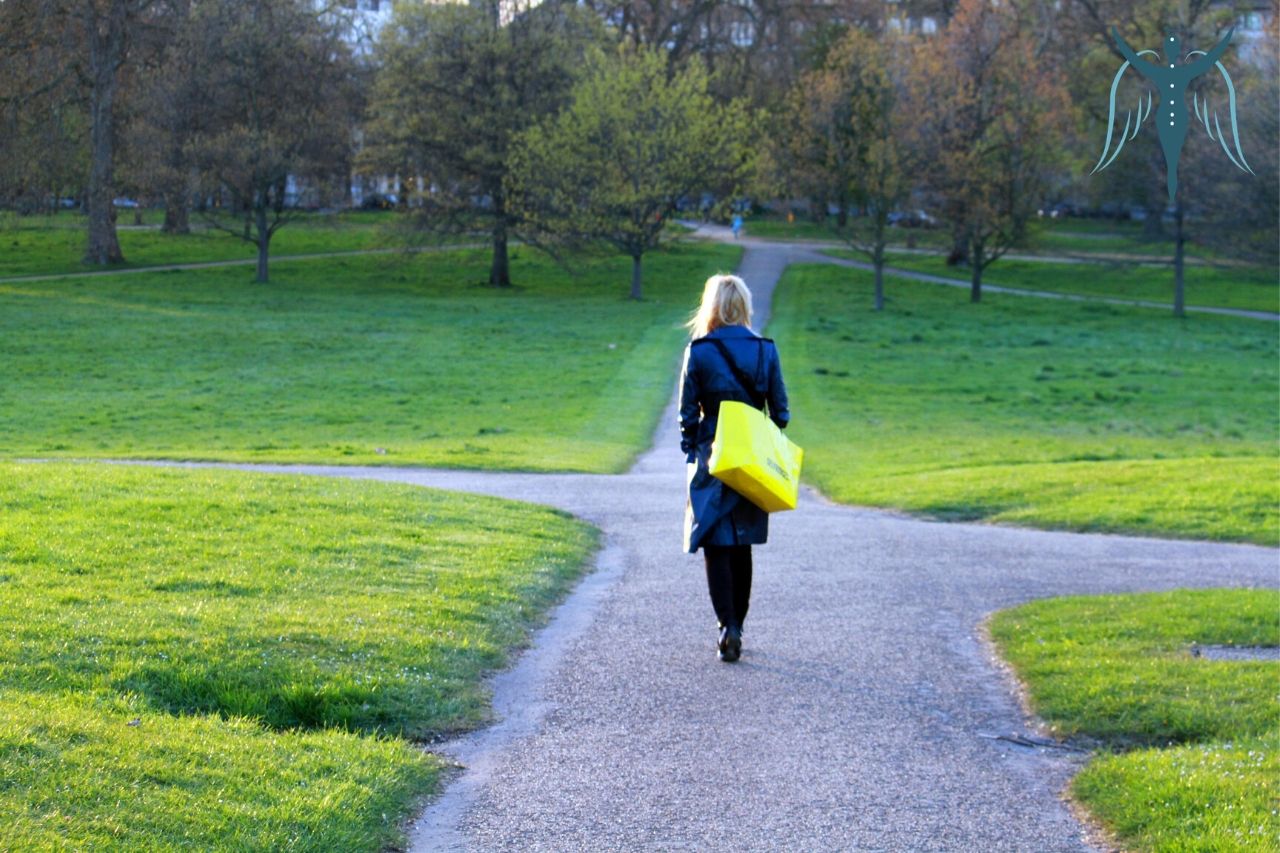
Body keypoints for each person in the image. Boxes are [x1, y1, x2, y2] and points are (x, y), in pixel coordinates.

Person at [678, 274, 789, 662]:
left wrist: (693, 452)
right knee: (742, 542)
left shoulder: (699, 351)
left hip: (712, 453)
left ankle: (727, 625)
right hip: (752, 455)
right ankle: (737, 624)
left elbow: (686, 417)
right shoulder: (765, 350)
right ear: (743, 306)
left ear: (711, 306)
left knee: (714, 540)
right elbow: (782, 413)